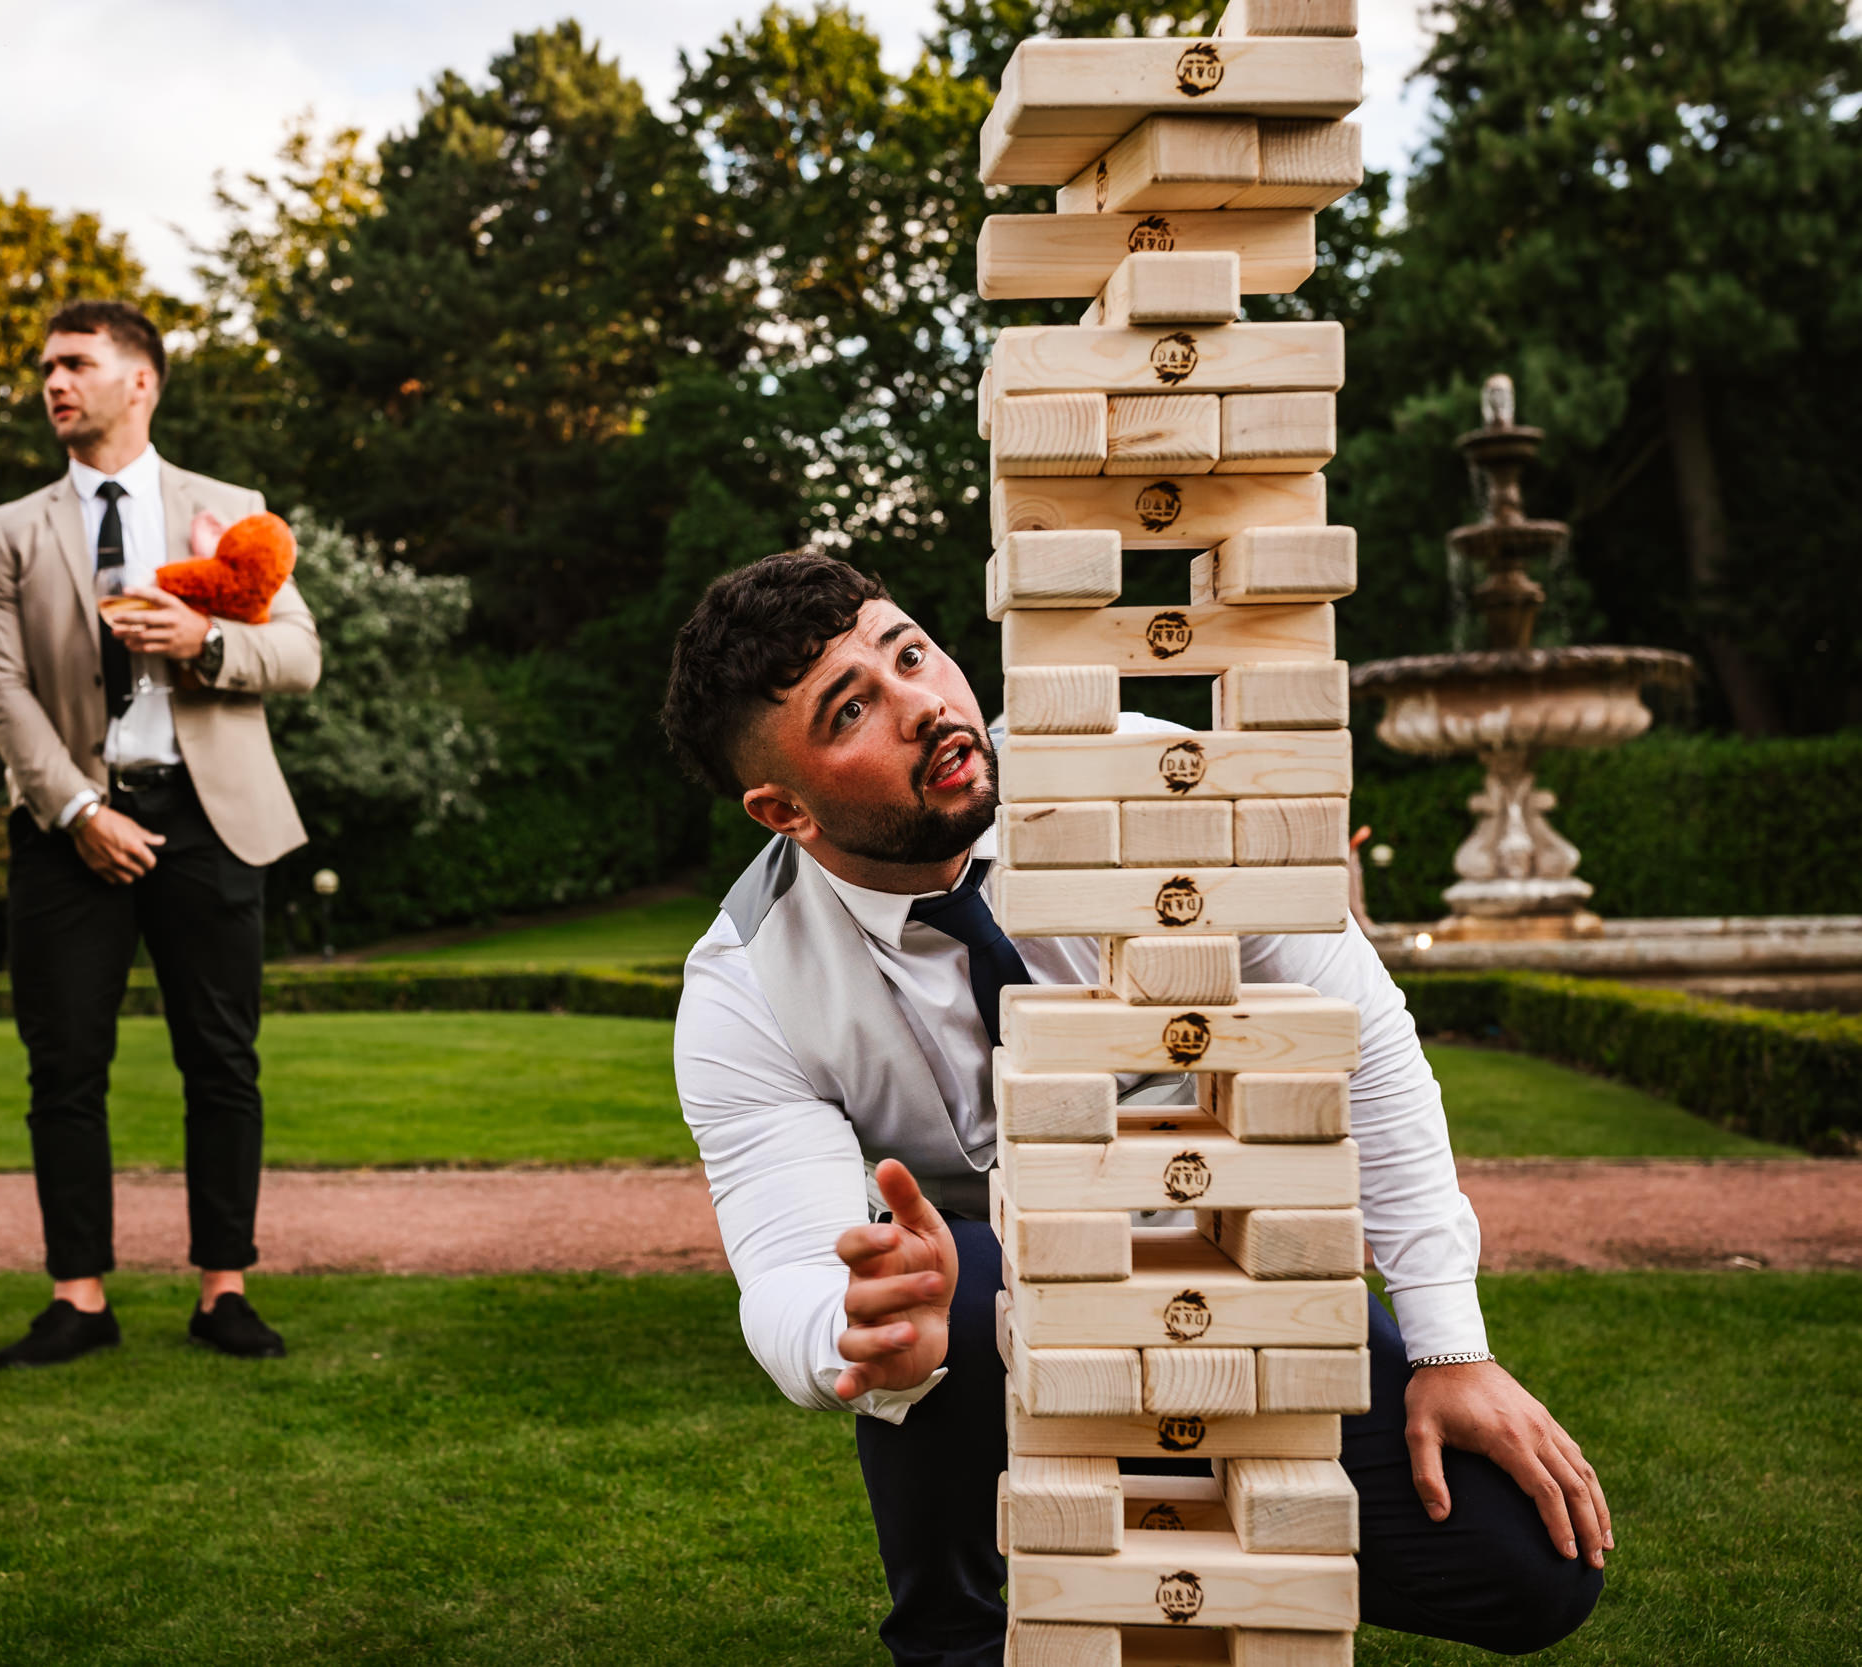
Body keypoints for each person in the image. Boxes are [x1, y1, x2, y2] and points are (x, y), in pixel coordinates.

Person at [660, 550, 1609, 1662]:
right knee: (942, 1285)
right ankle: (960, 1631)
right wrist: (854, 1332)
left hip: (1222, 1260)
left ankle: (1194, 1521)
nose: (923, 703)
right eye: (854, 707)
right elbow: (785, 1269)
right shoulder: (745, 986)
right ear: (783, 808)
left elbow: (1366, 1045)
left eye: (910, 652)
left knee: (1533, 1573)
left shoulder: (1155, 780)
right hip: (993, 1321)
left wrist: (1452, 1346)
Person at [0, 300, 320, 1368]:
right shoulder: (9, 528)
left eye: (75, 363)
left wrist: (207, 641)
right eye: (44, 368)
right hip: (67, 821)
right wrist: (77, 809)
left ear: (142, 382)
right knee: (63, 1065)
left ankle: (225, 1287)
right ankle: (77, 1294)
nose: (53, 382)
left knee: (221, 1058)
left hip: (210, 817)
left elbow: (299, 655)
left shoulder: (231, 509)